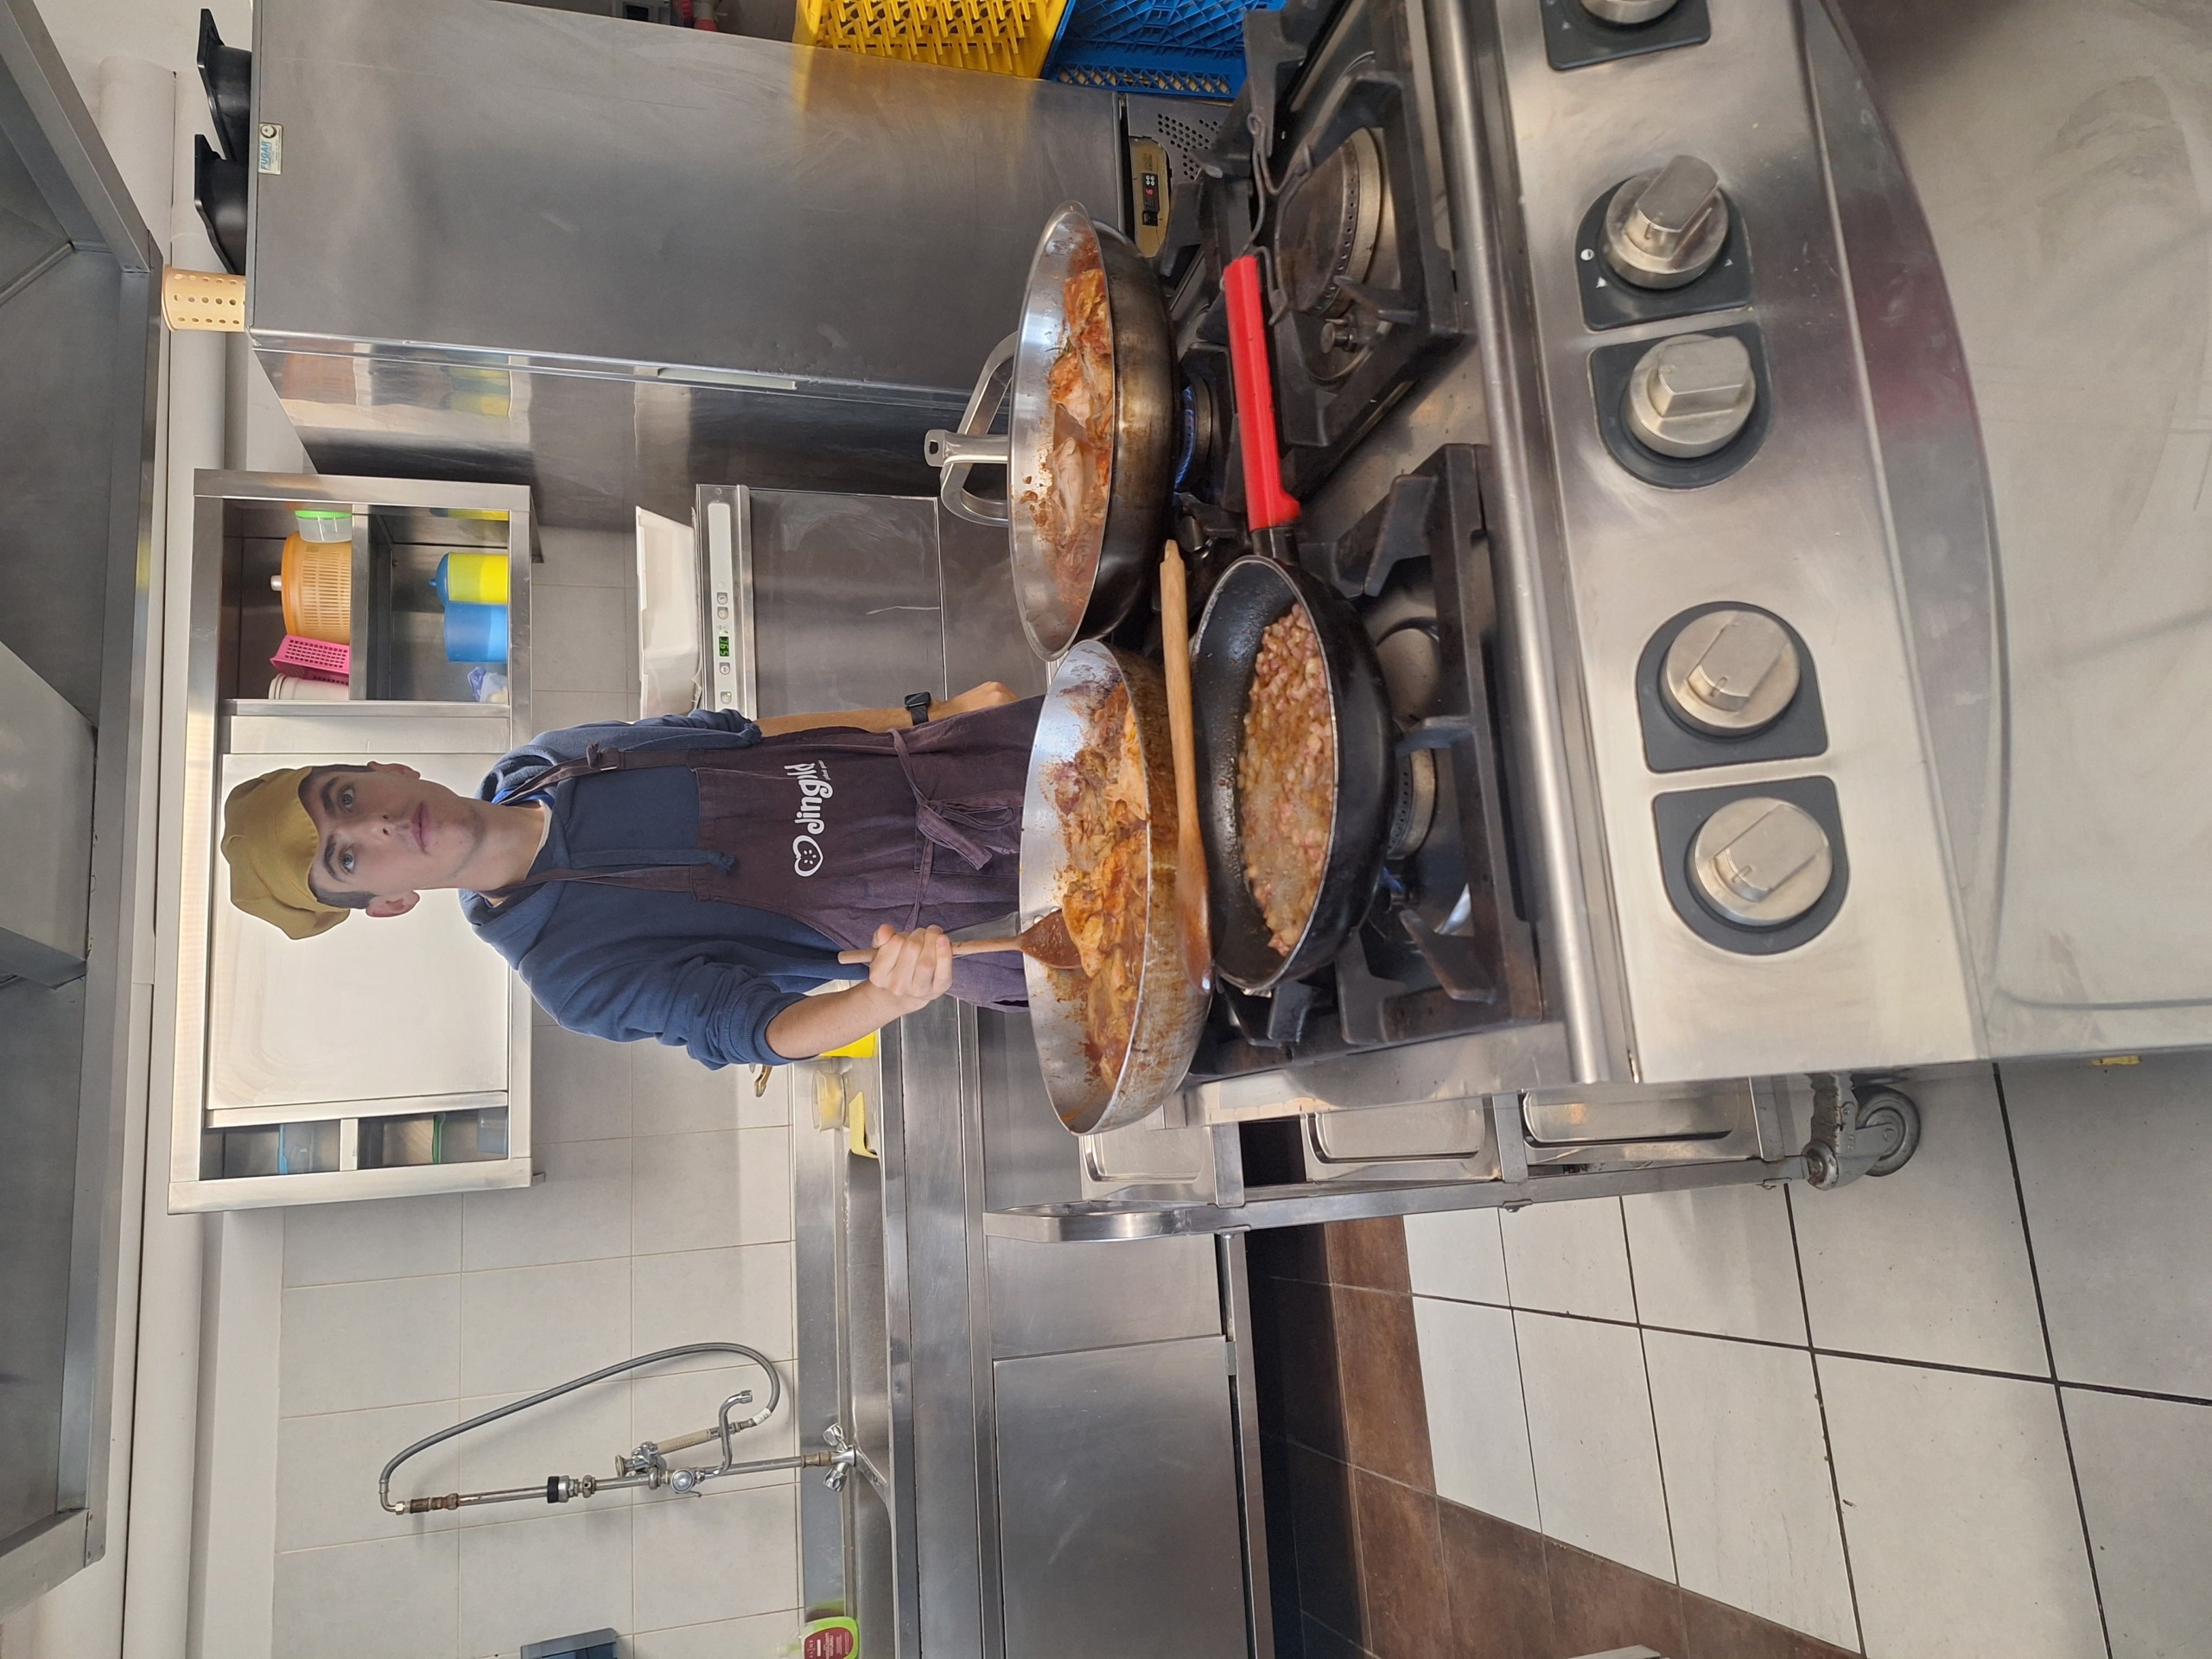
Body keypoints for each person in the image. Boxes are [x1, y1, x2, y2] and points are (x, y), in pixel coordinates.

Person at [217, 681, 1037, 1067]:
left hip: (995, 763)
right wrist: (887, 998)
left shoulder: (551, 759)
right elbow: (753, 1031)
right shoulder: (573, 974)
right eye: (348, 856)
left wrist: (938, 715)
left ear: (385, 767)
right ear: (390, 902)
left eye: (347, 797)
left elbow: (752, 737)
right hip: (995, 920)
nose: (379, 826)